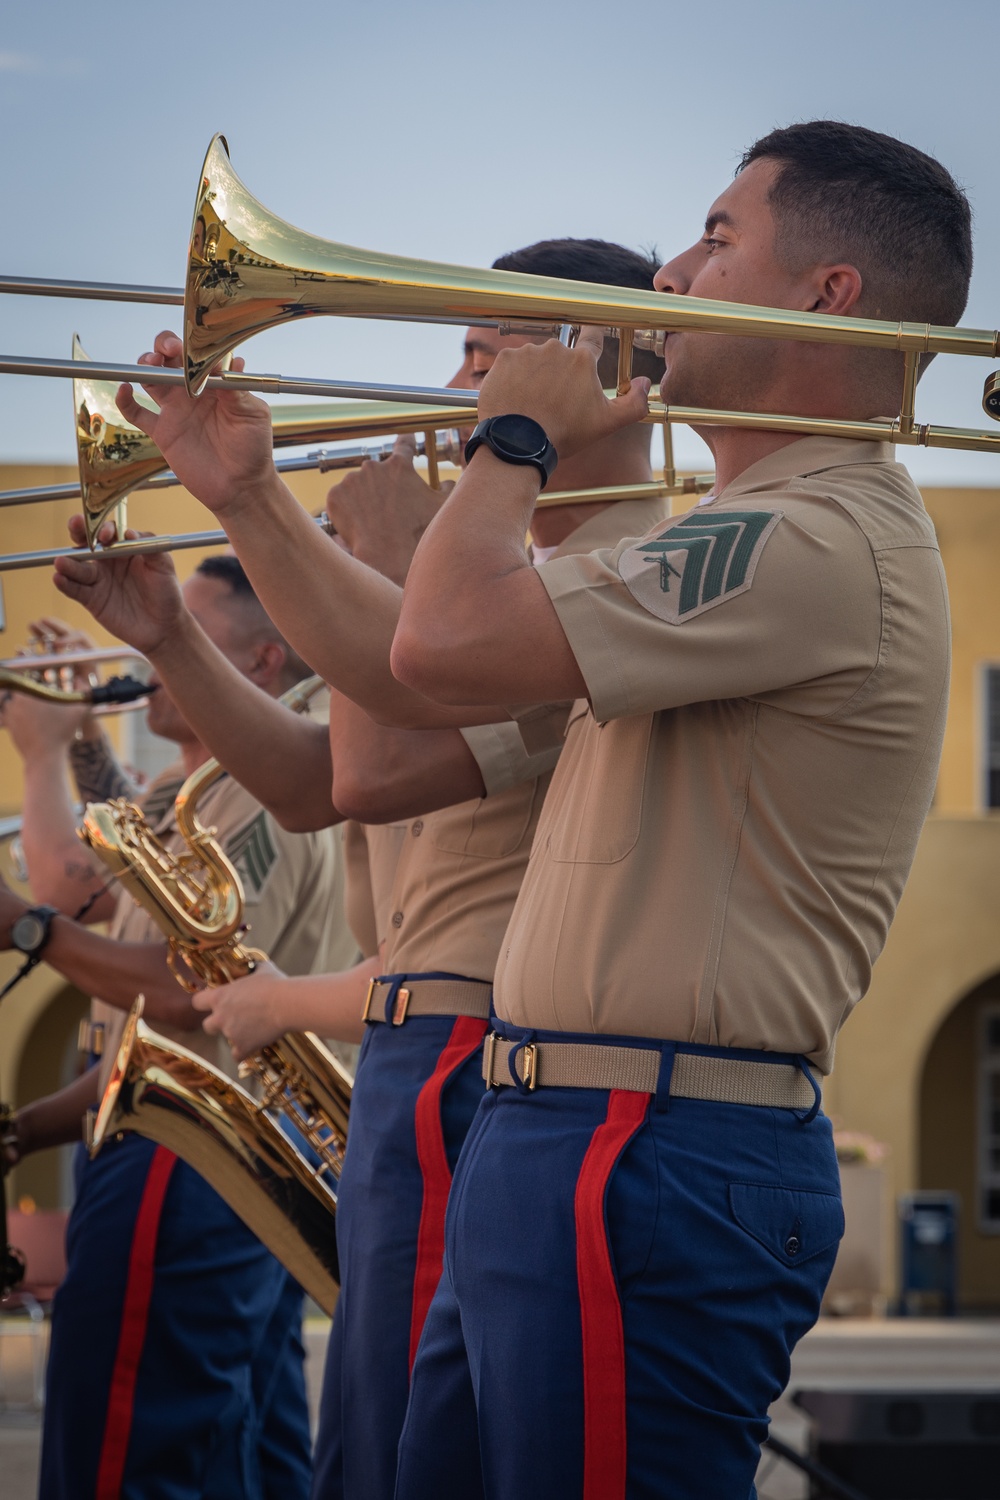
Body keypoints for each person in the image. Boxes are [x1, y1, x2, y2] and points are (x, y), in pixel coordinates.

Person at [378, 121, 970, 1499]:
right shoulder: (733, 525)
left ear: (826, 292)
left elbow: (436, 647)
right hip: (569, 1128)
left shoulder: (806, 529)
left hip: (642, 1144)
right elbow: (408, 694)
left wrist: (514, 434)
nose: (672, 267)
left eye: (717, 234)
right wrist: (242, 494)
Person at [54, 237, 671, 1500]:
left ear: (606, 377)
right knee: (366, 1446)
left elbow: (368, 774)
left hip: (464, 1043)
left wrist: (320, 535)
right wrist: (174, 627)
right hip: (416, 1047)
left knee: (392, 1459)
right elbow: (305, 773)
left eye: (489, 361)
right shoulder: (506, 579)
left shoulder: (601, 581)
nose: (455, 394)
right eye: (459, 355)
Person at [0, 557, 356, 1500]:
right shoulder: (202, 787)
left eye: (183, 636)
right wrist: (71, 749)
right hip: (212, 1157)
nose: (149, 658)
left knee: (126, 1447)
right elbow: (120, 882)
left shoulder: (255, 790)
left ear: (264, 661)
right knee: (241, 1444)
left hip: (193, 1161)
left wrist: (20, 920)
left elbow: (170, 987)